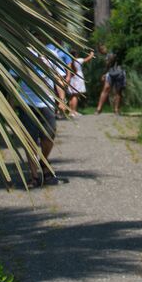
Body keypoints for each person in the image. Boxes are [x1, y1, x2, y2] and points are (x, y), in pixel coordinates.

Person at [18, 49, 60, 186]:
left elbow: (58, 78)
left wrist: (62, 99)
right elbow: (13, 77)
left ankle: (43, 161)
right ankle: (34, 176)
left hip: (47, 101)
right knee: (30, 140)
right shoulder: (21, 51)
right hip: (27, 101)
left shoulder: (51, 53)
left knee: (49, 134)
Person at [65, 49, 91, 116]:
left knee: (71, 95)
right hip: (78, 79)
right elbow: (87, 59)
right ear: (76, 55)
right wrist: (91, 54)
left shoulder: (69, 62)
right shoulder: (78, 60)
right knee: (76, 95)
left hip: (72, 79)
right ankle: (73, 111)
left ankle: (71, 111)